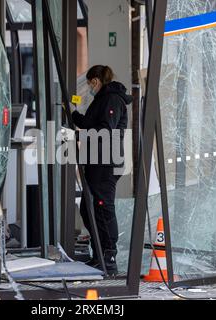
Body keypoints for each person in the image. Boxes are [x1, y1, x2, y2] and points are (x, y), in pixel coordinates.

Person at [72, 65, 133, 276]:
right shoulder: (101, 100)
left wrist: (82, 135)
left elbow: (105, 129)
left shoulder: (112, 100)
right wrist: (73, 116)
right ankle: (98, 253)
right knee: (88, 209)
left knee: (102, 208)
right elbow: (91, 123)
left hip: (106, 164)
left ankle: (108, 256)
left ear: (96, 81)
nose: (89, 87)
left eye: (90, 83)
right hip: (96, 162)